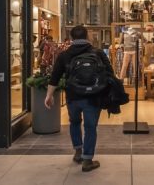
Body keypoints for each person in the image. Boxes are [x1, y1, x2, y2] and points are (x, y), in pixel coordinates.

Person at [45, 25, 114, 173]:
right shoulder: (98, 53)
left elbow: (55, 77)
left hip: (73, 96)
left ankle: (78, 152)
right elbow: (110, 73)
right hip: (93, 97)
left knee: (74, 122)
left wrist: (49, 95)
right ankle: (87, 160)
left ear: (71, 38)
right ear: (87, 36)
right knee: (90, 127)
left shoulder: (64, 55)